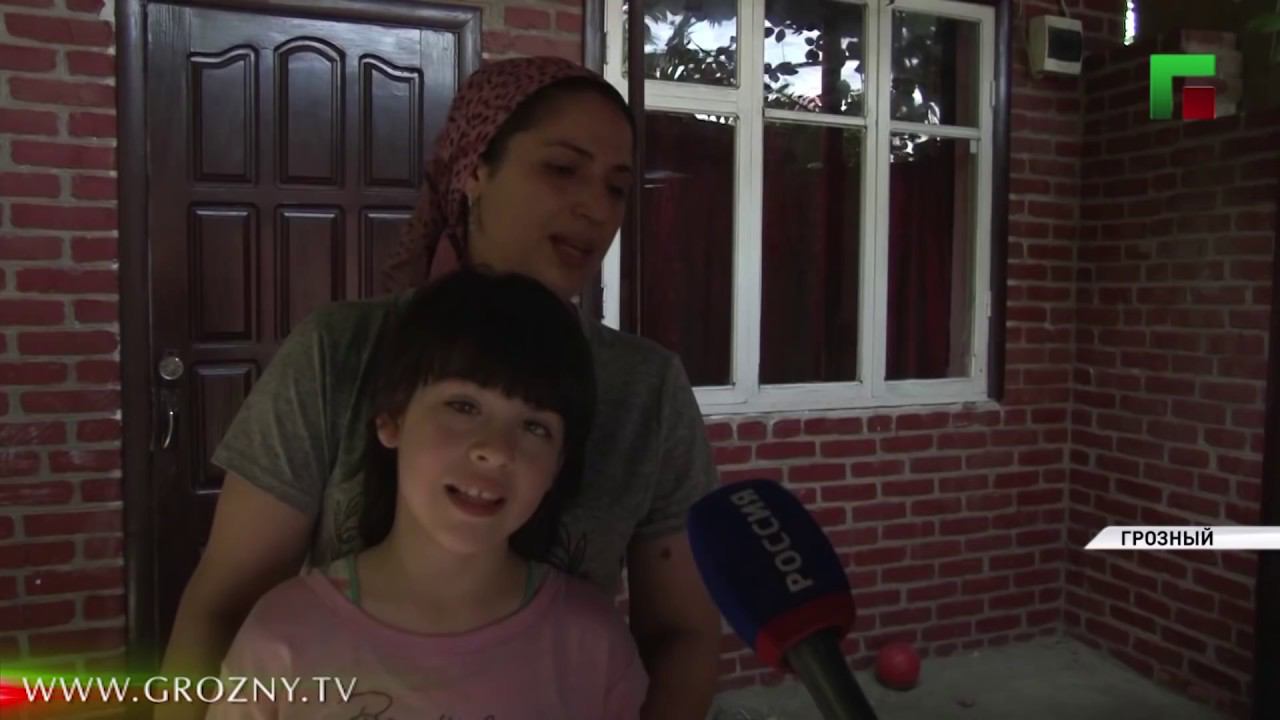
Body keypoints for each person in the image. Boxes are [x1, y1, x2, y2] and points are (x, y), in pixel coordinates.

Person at [159, 56, 721, 720]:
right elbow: (224, 601)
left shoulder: (646, 389)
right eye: (562, 169)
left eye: (618, 187)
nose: (595, 208)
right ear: (474, 171)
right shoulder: (341, 351)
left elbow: (681, 633)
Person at [204, 268, 648, 719]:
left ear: (558, 464)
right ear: (391, 419)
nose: (496, 451)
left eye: (535, 427)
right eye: (464, 406)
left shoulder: (595, 648)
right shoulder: (282, 637)